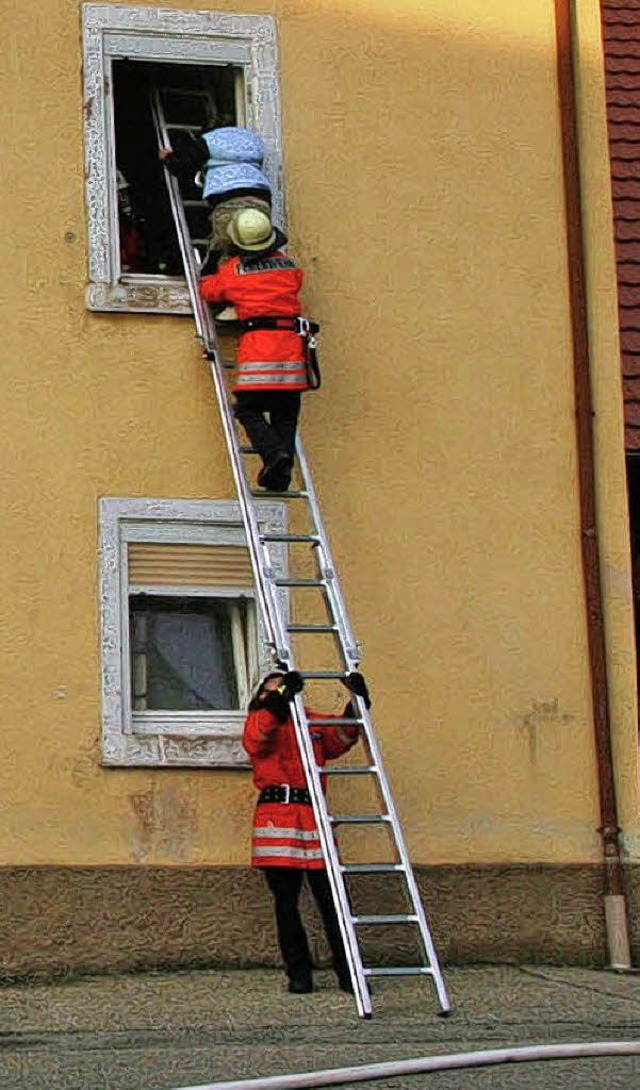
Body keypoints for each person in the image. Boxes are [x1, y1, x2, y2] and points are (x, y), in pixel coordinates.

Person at [242, 667, 372, 995]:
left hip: (313, 818)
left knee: (332, 901)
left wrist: (356, 701)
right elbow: (257, 738)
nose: (283, 692)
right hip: (277, 819)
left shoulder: (309, 721)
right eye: (275, 688)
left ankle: (349, 974)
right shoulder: (260, 718)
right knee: (286, 905)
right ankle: (299, 974)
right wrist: (279, 697)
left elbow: (342, 735)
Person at [199, 208, 320, 493]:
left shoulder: (235, 272)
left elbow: (209, 290)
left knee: (248, 409)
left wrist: (209, 267)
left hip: (260, 349)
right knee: (286, 414)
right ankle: (281, 472)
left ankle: (273, 454)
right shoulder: (288, 267)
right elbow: (294, 282)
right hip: (292, 349)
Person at [159, 118, 272, 275]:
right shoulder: (252, 139)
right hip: (261, 198)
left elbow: (182, 165)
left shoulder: (209, 140)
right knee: (256, 245)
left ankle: (216, 282)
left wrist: (168, 158)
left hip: (229, 199)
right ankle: (257, 280)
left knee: (224, 247)